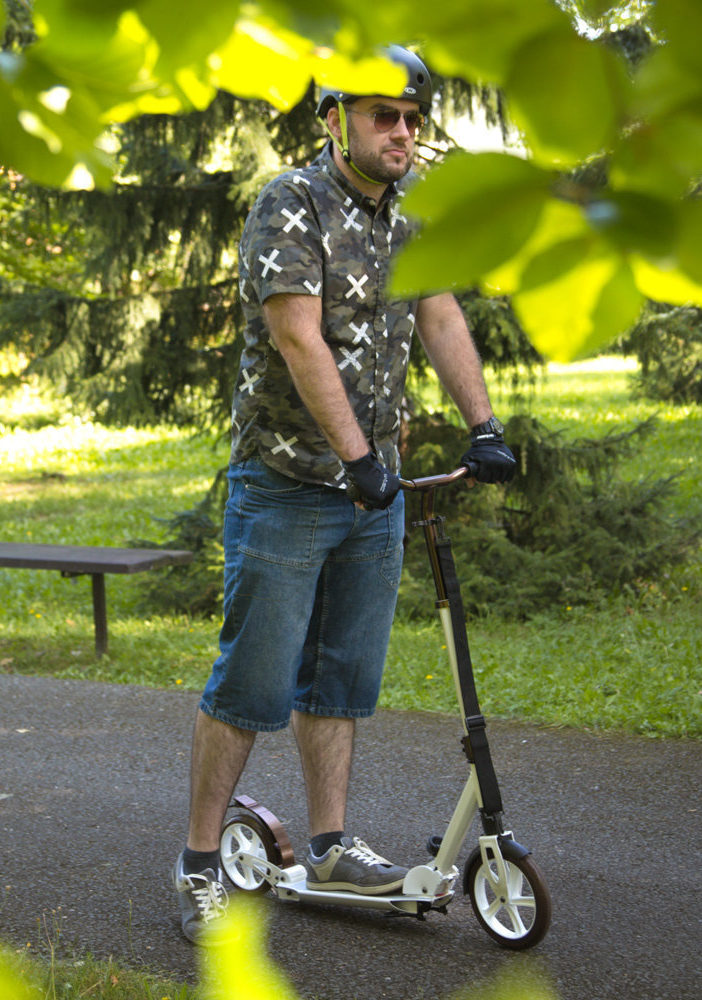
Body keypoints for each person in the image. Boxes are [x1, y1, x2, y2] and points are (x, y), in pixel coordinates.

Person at [172, 44, 517, 943]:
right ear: (336, 120)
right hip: (288, 486)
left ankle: (327, 847)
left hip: (375, 494)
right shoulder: (292, 203)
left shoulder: (415, 215)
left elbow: (438, 312)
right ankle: (200, 862)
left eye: (413, 118)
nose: (402, 132)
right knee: (251, 683)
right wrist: (359, 456)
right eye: (382, 116)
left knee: (342, 680)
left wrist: (483, 425)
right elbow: (298, 337)